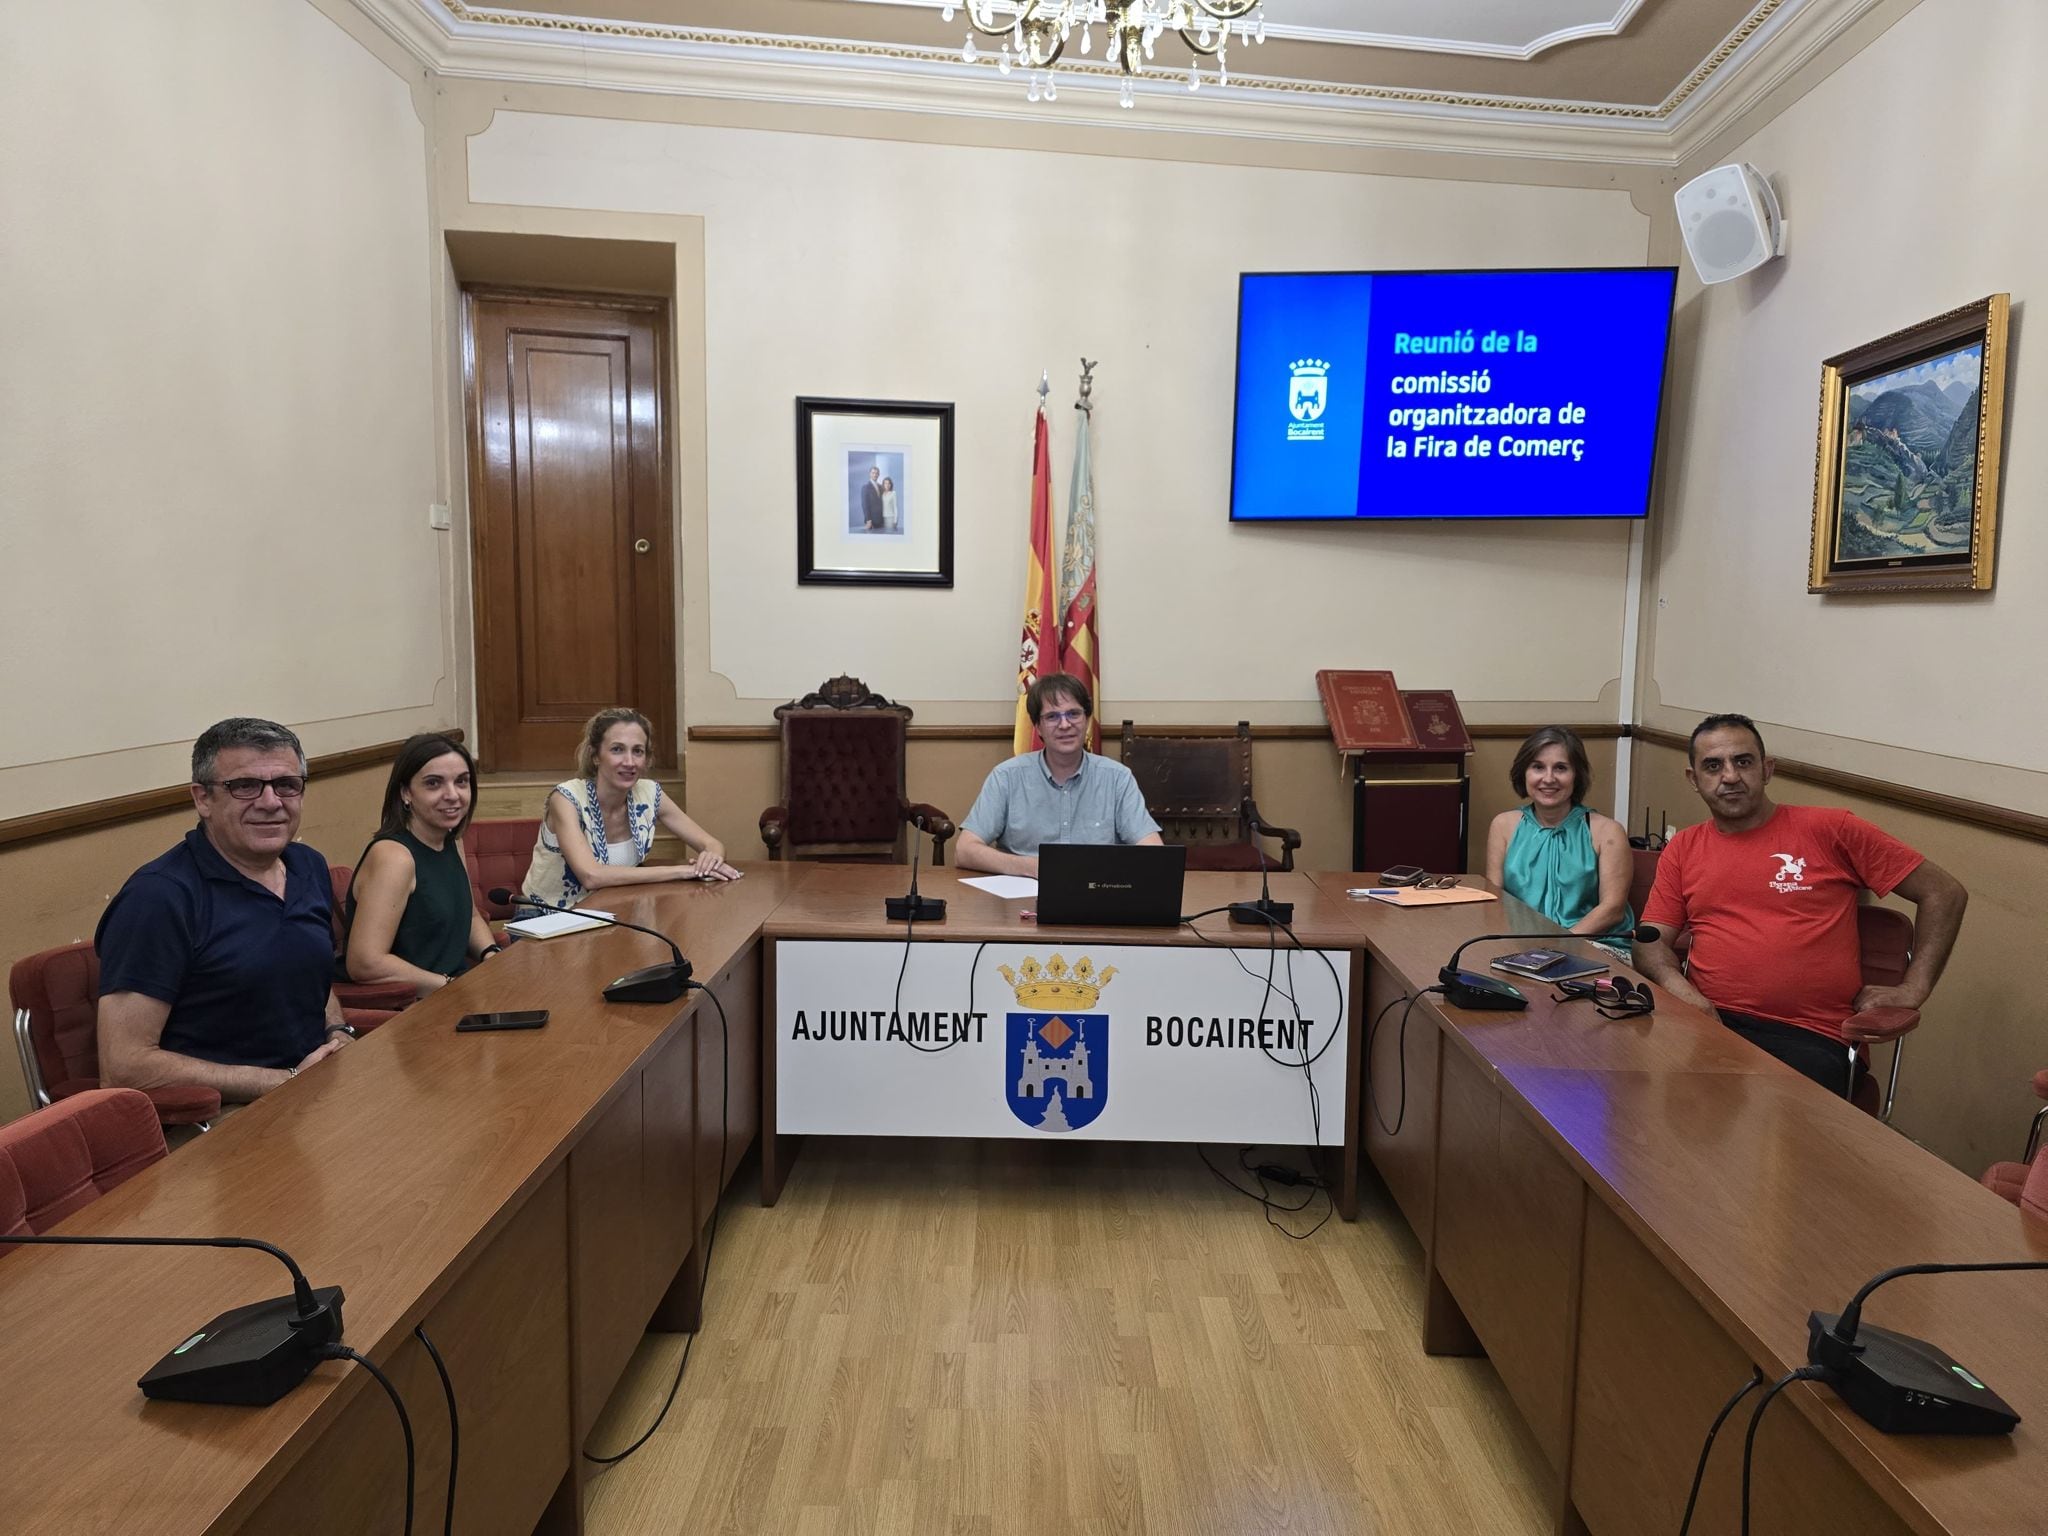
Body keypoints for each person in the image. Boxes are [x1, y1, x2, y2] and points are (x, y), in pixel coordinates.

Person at [1632, 713, 1968, 1095]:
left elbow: (1945, 893)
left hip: (1809, 1037)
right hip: (1707, 1022)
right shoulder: (1684, 848)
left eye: (1743, 761)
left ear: (1767, 769)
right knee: (1638, 1096)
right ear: (1694, 780)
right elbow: (1649, 942)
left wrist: (1914, 988)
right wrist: (1690, 1000)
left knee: (1764, 1137)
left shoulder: (1832, 829)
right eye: (1713, 766)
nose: (1729, 776)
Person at [95, 718, 354, 1101]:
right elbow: (124, 1067)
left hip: (316, 1092)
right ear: (203, 799)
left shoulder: (306, 865)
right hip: (217, 1118)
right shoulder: (159, 898)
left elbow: (309, 975)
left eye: (286, 785)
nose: (271, 802)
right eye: (245, 786)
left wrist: (337, 1032)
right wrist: (286, 1080)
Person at [522, 707, 741, 909]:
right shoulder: (566, 798)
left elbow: (712, 844)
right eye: (617, 749)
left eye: (638, 751)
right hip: (548, 920)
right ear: (595, 755)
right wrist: (686, 871)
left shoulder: (649, 793)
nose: (629, 762)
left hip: (613, 913)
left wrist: (710, 861)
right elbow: (591, 876)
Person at [955, 672, 1162, 877]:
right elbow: (964, 850)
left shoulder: (1117, 778)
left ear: (1087, 720)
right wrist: (1034, 867)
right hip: (1022, 898)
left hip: (1097, 898)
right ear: (1038, 727)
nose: (1065, 725)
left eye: (1073, 713)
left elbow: (1154, 853)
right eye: (1052, 717)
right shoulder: (1007, 777)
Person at [343, 733, 500, 998]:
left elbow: (469, 915)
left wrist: (491, 954)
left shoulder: (450, 840)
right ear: (406, 792)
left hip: (454, 994)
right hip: (413, 1009)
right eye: (433, 783)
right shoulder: (394, 857)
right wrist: (451, 986)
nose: (452, 795)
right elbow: (365, 963)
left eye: (461, 782)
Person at [1485, 726, 1633, 952]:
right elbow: (1494, 903)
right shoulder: (1503, 826)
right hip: (1521, 946)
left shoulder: (1608, 831)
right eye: (1537, 767)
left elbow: (1612, 909)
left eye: (1561, 768)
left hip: (1592, 944)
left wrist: (1559, 945)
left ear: (1577, 775)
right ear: (1524, 772)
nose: (1548, 778)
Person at [860, 464, 885, 530]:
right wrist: (868, 520)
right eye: (873, 473)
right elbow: (865, 505)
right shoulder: (865, 487)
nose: (875, 475)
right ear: (870, 474)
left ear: (878, 475)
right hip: (871, 521)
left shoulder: (881, 487)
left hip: (881, 520)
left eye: (877, 473)